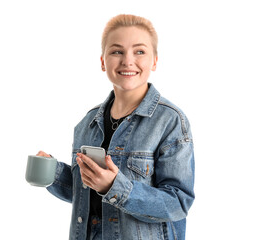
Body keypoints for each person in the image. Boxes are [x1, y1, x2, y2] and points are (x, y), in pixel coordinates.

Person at [37, 14, 195, 240]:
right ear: (103, 61)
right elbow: (86, 195)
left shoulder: (170, 121)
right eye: (116, 51)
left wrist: (116, 187)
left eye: (139, 51)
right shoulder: (87, 123)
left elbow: (177, 203)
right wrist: (53, 172)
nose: (127, 61)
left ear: (155, 61)